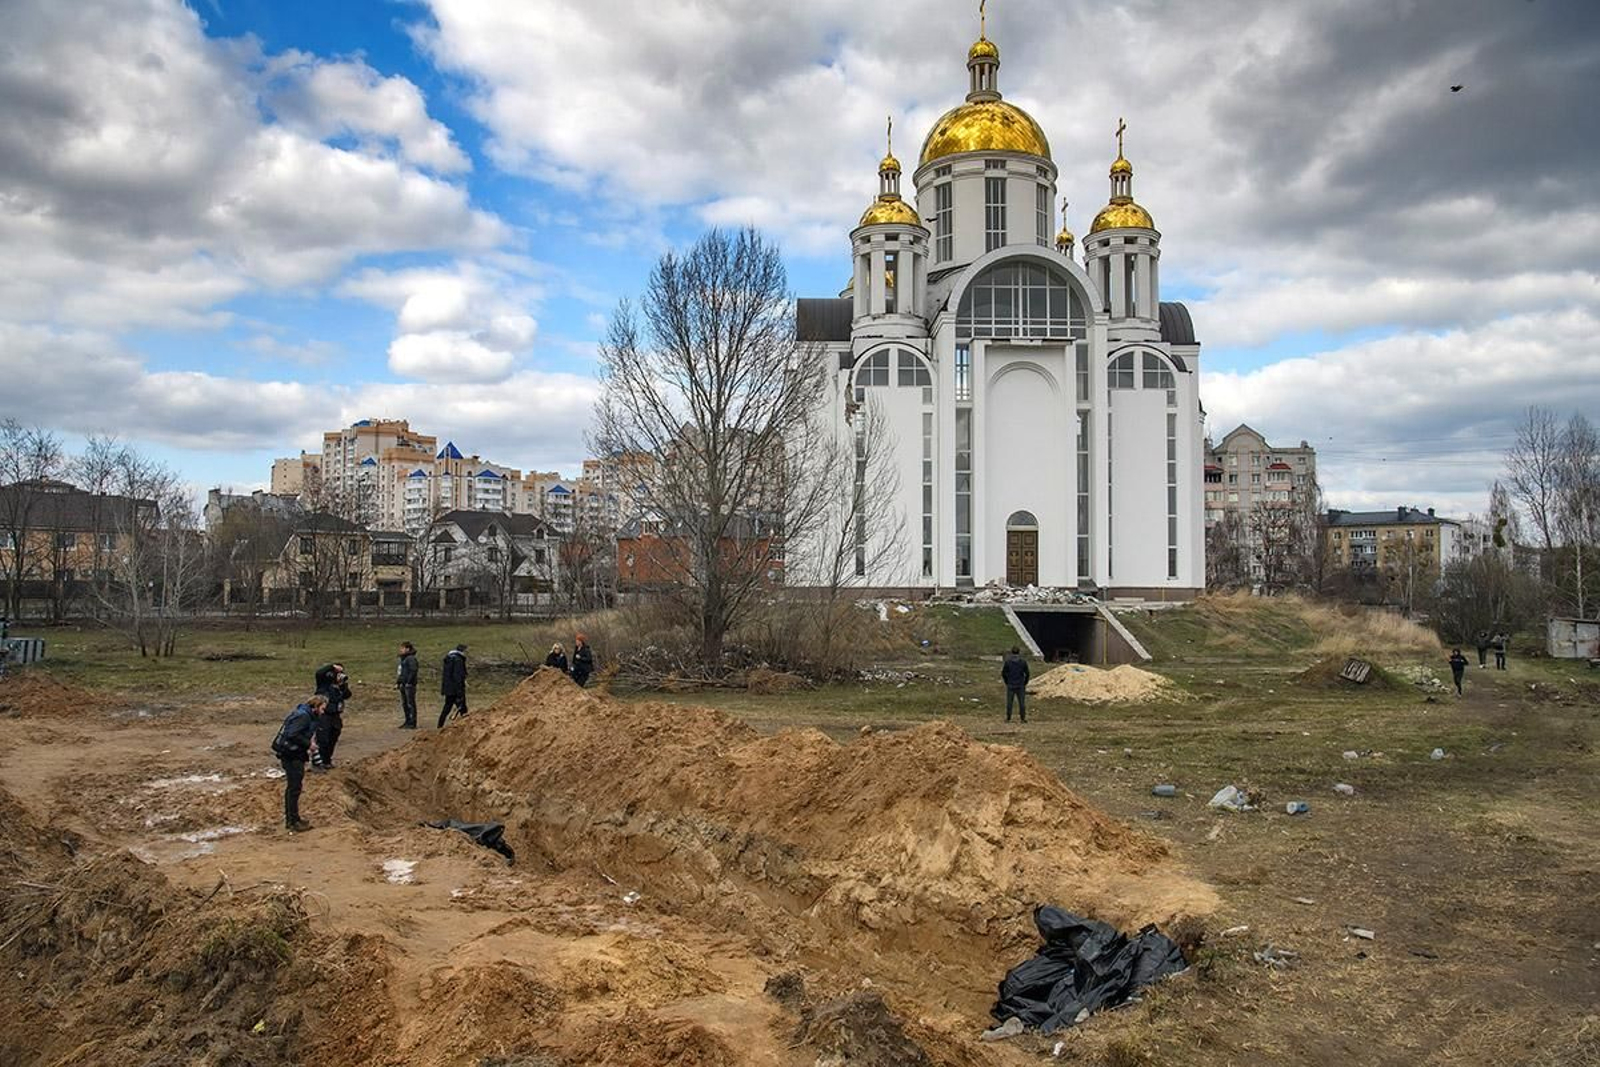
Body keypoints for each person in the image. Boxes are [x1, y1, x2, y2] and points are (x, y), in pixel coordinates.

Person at [271, 694, 326, 832]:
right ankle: (292, 821)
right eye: (322, 708)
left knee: (294, 788)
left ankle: (294, 819)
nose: (323, 712)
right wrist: (309, 744)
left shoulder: (305, 714)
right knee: (294, 788)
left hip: (294, 753)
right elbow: (293, 734)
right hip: (291, 755)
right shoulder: (304, 717)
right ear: (316, 707)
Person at [311, 663, 350, 771]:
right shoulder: (324, 683)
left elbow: (347, 695)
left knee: (333, 737)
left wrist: (342, 686)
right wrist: (332, 667)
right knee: (322, 739)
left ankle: (327, 761)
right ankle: (318, 763)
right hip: (324, 714)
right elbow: (319, 673)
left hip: (336, 714)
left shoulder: (341, 684)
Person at [438, 644, 468, 727]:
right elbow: (457, 676)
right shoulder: (458, 660)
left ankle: (440, 725)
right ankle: (466, 726)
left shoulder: (449, 658)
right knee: (462, 708)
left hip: (448, 688)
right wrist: (460, 691)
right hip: (456, 688)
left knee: (447, 707)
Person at [1001, 646, 1030, 723]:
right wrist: (1025, 682)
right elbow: (1027, 673)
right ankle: (1022, 718)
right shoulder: (1023, 662)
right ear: (1019, 652)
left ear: (1011, 652)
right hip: (1020, 684)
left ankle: (1008, 718)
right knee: (1022, 703)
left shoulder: (1008, 662)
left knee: (1009, 702)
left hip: (1011, 684)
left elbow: (1003, 673)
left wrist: (1007, 681)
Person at [396, 641, 419, 729]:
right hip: (403, 684)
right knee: (405, 703)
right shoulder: (403, 659)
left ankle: (412, 722)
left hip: (409, 685)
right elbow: (401, 672)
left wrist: (409, 682)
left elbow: (413, 670)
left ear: (407, 649)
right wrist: (398, 682)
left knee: (410, 703)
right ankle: (407, 720)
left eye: (402, 648)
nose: (400, 650)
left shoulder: (410, 659)